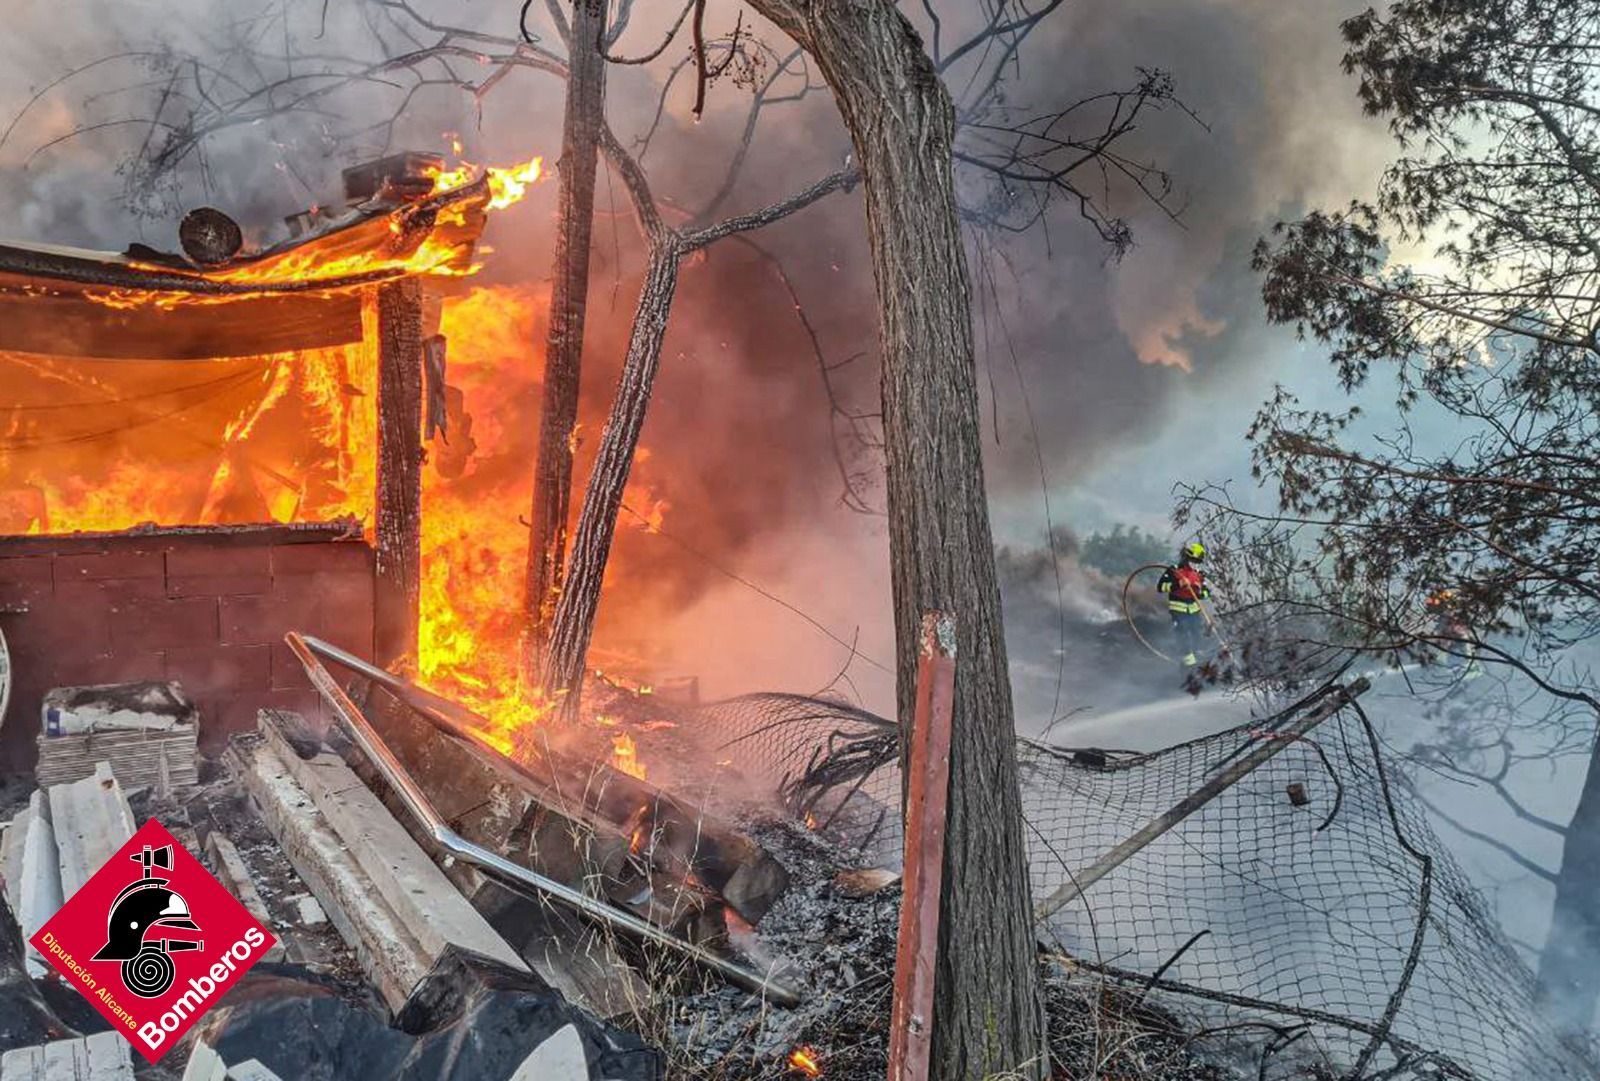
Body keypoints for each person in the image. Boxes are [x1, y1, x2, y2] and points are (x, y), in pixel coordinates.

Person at [1158, 542, 1211, 670]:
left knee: (1197, 634)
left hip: (1194, 611)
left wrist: (1199, 591)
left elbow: (1206, 593)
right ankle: (1189, 664)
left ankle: (1199, 660)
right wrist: (1178, 584)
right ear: (1187, 558)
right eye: (1193, 560)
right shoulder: (1174, 570)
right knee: (1183, 634)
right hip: (1178, 609)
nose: (1196, 563)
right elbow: (1161, 587)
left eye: (1198, 561)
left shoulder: (1199, 574)